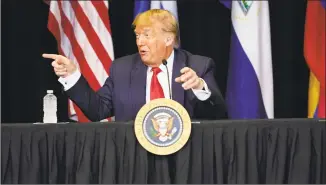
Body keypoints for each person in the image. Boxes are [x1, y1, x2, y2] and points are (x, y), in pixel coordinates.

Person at [42, 9, 227, 122]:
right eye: (138, 36)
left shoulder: (198, 66)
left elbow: (218, 115)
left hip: (185, 157)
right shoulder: (122, 68)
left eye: (147, 35)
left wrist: (199, 87)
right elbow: (97, 110)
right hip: (134, 159)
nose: (140, 42)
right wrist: (72, 76)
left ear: (169, 38)